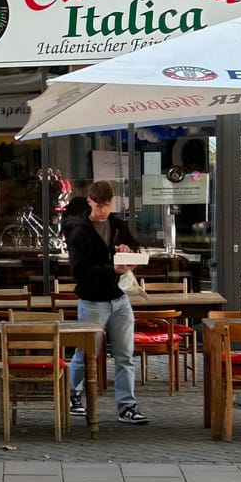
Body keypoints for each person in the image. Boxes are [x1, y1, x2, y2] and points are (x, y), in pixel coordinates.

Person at [66, 180, 149, 425]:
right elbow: (80, 271)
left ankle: (128, 407)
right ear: (90, 201)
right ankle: (73, 395)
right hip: (92, 299)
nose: (104, 210)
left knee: (125, 355)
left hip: (118, 297)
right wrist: (111, 267)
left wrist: (128, 252)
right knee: (86, 353)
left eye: (108, 205)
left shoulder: (117, 224)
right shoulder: (79, 230)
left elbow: (134, 247)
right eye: (99, 205)